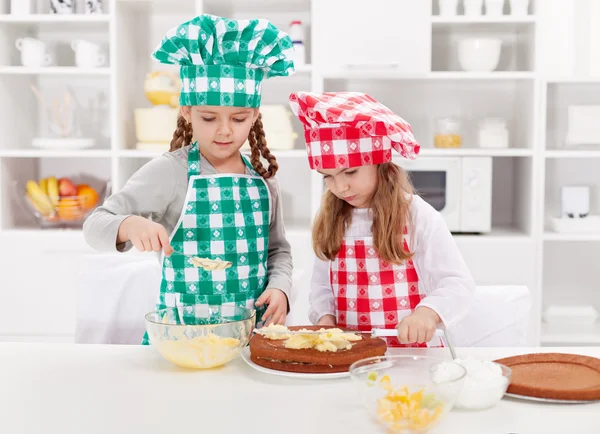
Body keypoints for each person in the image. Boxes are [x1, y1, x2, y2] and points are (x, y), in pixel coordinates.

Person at [83, 14, 296, 344]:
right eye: (209, 117)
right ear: (187, 111)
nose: (224, 130)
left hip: (248, 340)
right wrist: (130, 225)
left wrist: (280, 288)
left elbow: (278, 250)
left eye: (238, 119)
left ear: (254, 115)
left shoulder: (263, 180)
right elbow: (95, 225)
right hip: (181, 342)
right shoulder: (171, 172)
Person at [288, 91, 476, 347]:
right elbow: (322, 287)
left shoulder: (417, 215)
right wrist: (325, 319)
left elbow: (457, 284)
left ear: (380, 164)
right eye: (327, 176)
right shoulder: (333, 219)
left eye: (350, 172)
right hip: (350, 353)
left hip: (411, 356)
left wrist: (427, 314)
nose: (340, 187)